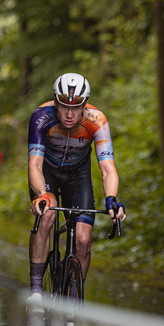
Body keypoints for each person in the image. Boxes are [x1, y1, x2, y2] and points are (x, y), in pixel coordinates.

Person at [28, 73, 126, 306]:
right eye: (63, 106)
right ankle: (35, 289)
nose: (70, 114)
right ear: (55, 103)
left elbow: (108, 169)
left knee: (83, 240)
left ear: (85, 104)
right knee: (48, 214)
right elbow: (35, 165)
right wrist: (41, 195)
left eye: (76, 107)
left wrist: (111, 199)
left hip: (77, 176)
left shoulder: (97, 121)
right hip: (48, 173)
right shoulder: (41, 117)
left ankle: (73, 300)